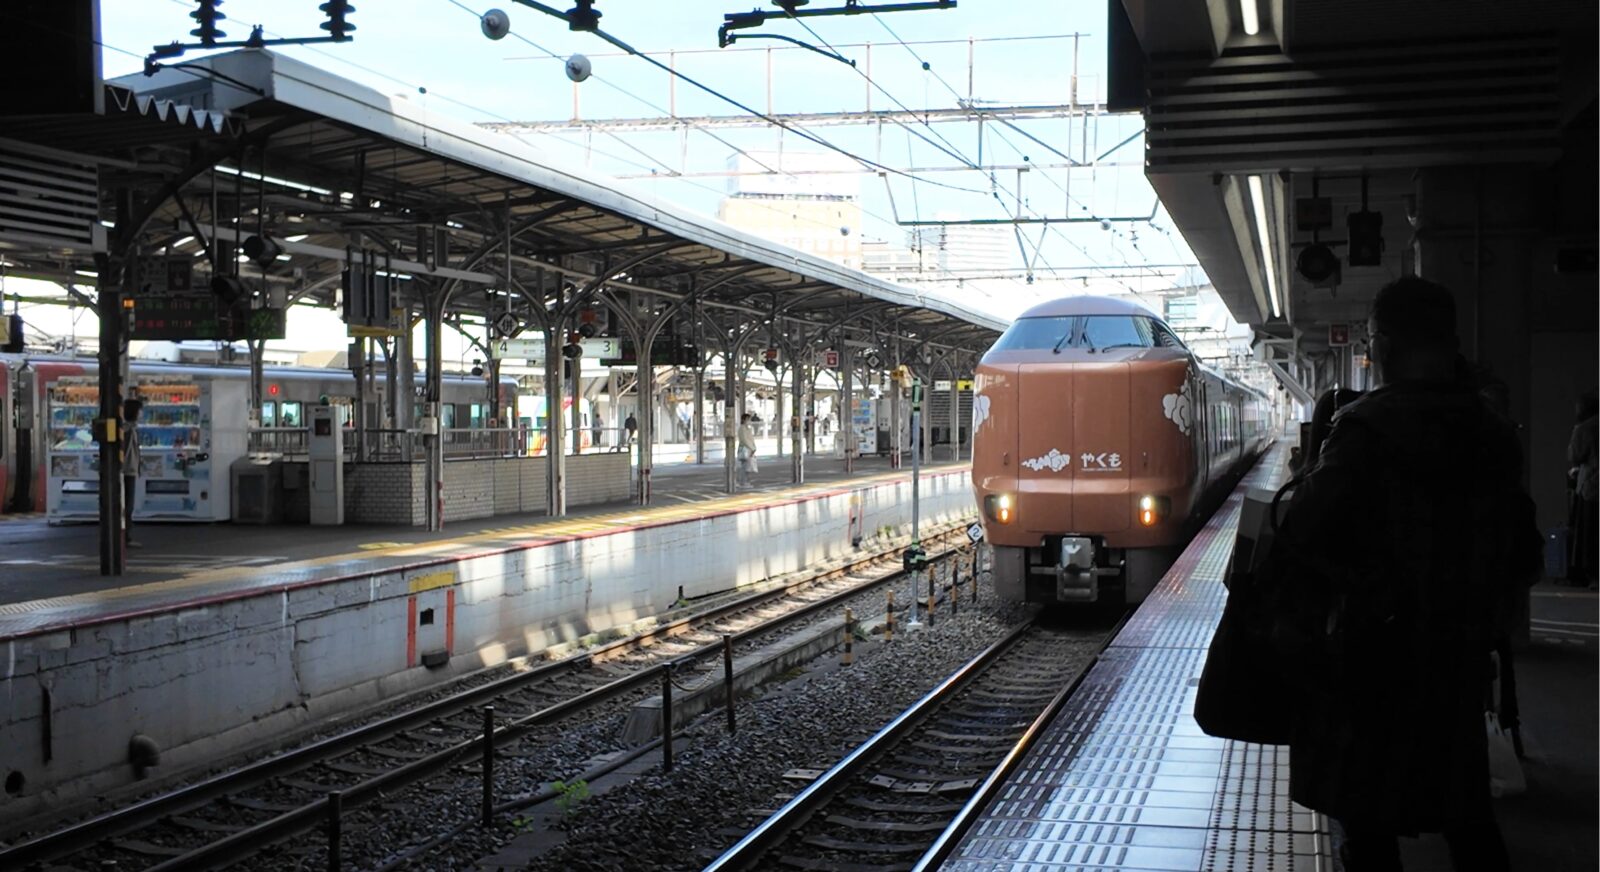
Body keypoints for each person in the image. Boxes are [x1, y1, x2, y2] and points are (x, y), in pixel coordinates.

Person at [1263, 277, 1540, 871]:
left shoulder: (1364, 431)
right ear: (1453, 341)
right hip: (1461, 659)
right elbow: (1523, 552)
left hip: (1372, 661)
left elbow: (1302, 532)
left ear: (1382, 345)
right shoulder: (1493, 434)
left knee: (1365, 821)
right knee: (1466, 814)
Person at [1568, 390, 1598, 586]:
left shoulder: (1585, 428)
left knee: (1590, 535)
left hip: (1592, 487)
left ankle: (1593, 575)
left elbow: (1574, 455)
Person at [122, 397, 144, 549]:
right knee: (128, 505)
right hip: (127, 470)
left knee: (127, 505)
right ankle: (126, 537)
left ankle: (125, 535)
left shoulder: (129, 429)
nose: (142, 413)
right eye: (140, 410)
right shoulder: (129, 430)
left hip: (129, 469)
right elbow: (126, 451)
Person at [736, 412, 758, 487]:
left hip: (749, 450)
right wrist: (752, 448)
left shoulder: (747, 428)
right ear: (744, 419)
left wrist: (753, 448)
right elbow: (745, 440)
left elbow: (750, 439)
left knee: (747, 466)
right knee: (745, 467)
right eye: (748, 419)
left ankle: (745, 481)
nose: (749, 420)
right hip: (745, 450)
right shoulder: (742, 428)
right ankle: (743, 482)